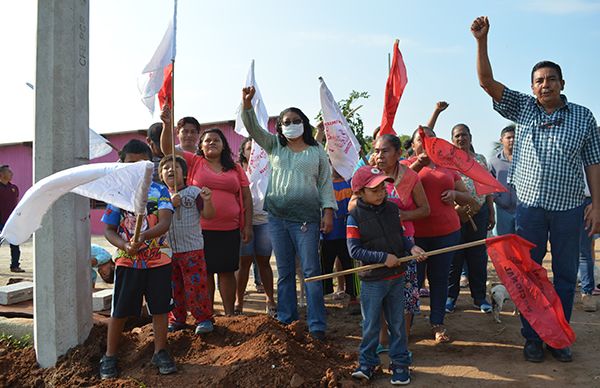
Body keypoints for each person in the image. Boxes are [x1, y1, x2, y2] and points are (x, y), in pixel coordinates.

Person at [472, 16, 600, 362]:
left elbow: (593, 162)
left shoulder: (584, 117)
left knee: (565, 275)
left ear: (562, 83)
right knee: (528, 275)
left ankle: (559, 337)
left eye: (551, 79)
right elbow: (486, 82)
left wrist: (597, 205)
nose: (545, 85)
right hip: (529, 209)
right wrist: (482, 41)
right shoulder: (523, 109)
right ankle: (532, 336)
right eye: (539, 81)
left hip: (570, 208)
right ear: (532, 88)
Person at [241, 86, 336, 340]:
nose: (291, 125)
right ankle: (287, 319)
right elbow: (252, 129)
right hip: (278, 219)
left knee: (311, 272)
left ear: (304, 124)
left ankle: (317, 325)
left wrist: (328, 212)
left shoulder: (317, 152)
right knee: (284, 272)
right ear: (280, 127)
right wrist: (247, 104)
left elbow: (326, 184)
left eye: (296, 121)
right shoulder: (274, 146)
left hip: (307, 219)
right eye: (286, 122)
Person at [160, 109, 253, 317]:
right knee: (206, 273)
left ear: (224, 145)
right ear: (200, 146)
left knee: (228, 271)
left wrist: (247, 225)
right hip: (201, 230)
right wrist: (167, 125)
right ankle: (207, 315)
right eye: (207, 140)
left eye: (216, 140)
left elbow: (246, 197)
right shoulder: (194, 162)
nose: (211, 143)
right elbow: (167, 150)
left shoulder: (235, 168)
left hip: (230, 229)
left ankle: (229, 314)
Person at [99, 139, 176, 379]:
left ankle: (160, 351)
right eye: (131, 163)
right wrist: (124, 244)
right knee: (120, 310)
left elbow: (164, 222)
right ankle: (110, 355)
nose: (137, 168)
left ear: (150, 166)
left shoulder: (159, 190)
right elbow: (109, 230)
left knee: (160, 308)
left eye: (142, 164)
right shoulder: (117, 194)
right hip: (127, 261)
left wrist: (142, 237)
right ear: (121, 164)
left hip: (159, 260)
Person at [347, 166, 427, 385]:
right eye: (375, 189)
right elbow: (354, 251)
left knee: (398, 324)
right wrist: (383, 257)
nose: (381, 192)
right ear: (360, 192)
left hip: (396, 277)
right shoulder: (354, 217)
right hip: (373, 280)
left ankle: (400, 364)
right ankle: (367, 363)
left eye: (383, 186)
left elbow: (402, 237)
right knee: (371, 324)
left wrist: (411, 248)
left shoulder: (393, 210)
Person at [402, 127, 476, 343]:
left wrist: (455, 194)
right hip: (414, 236)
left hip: (446, 232)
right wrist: (419, 163)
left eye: (429, 139)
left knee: (439, 278)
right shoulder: (406, 166)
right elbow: (400, 186)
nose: (424, 143)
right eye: (419, 140)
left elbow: (467, 196)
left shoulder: (447, 166)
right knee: (412, 282)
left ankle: (437, 322)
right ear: (413, 144)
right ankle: (407, 325)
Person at [372, 134, 430, 340]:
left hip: (404, 244)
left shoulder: (410, 177)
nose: (379, 156)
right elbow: (353, 204)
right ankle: (382, 339)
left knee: (406, 295)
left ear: (398, 154)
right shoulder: (368, 175)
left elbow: (425, 209)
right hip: (374, 244)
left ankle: (402, 340)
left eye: (385, 151)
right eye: (377, 151)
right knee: (376, 294)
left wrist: (402, 215)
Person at [159, 155, 216, 333]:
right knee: (173, 287)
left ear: (184, 173)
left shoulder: (194, 192)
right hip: (168, 251)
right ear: (161, 175)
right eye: (166, 168)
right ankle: (177, 319)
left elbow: (208, 215)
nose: (170, 170)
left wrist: (207, 200)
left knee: (196, 286)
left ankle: (203, 319)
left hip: (192, 249)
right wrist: (170, 204)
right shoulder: (160, 195)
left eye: (175, 167)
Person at [446, 124, 494, 314]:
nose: (461, 139)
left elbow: (487, 186)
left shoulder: (480, 160)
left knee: (478, 256)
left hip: (479, 213)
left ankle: (480, 297)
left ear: (470, 137)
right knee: (454, 256)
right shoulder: (446, 162)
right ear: (452, 140)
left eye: (464, 135)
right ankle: (450, 297)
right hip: (454, 215)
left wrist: (491, 210)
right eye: (457, 136)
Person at [235, 137, 277, 316]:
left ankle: (271, 300)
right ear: (243, 152)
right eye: (248, 149)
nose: (252, 152)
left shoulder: (269, 169)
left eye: (256, 149)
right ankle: (239, 301)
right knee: (243, 263)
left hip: (264, 220)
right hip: (244, 222)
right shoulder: (237, 171)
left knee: (263, 262)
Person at [319, 166, 358, 311]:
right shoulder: (323, 184)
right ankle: (322, 299)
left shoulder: (351, 183)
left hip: (347, 234)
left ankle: (353, 297)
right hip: (327, 235)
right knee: (325, 267)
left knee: (349, 266)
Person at [489, 125, 517, 235]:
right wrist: (498, 198)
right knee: (503, 244)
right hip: (502, 210)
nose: (512, 140)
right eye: (508, 137)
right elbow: (489, 185)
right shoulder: (494, 162)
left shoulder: (525, 159)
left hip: (522, 209)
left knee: (522, 243)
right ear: (501, 140)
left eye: (514, 137)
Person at [579, 179, 598, 312]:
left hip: (589, 200)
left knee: (584, 251)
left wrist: (596, 203)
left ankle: (587, 292)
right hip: (563, 197)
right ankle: (557, 291)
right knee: (559, 248)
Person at [0, 165, 24, 273]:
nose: (11, 174)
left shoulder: (14, 188)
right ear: (2, 175)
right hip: (0, 221)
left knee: (15, 244)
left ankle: (15, 266)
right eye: (9, 172)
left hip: (12, 221)